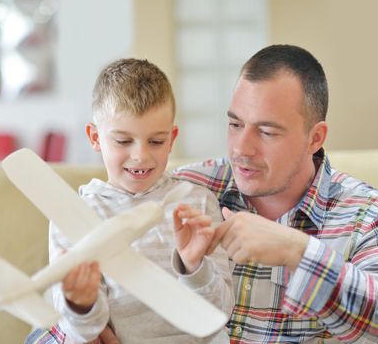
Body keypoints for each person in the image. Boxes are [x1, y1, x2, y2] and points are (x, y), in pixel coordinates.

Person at [172, 44, 378, 343]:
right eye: (235, 124)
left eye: (267, 132)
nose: (241, 149)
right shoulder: (188, 188)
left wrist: (299, 252)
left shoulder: (371, 215)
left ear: (315, 138)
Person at [29, 58, 233, 344]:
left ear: (172, 138)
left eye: (156, 141)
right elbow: (80, 335)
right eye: (123, 141)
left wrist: (194, 266)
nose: (140, 156)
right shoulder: (76, 214)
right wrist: (81, 305)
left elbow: (221, 312)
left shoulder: (197, 203)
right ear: (95, 137)